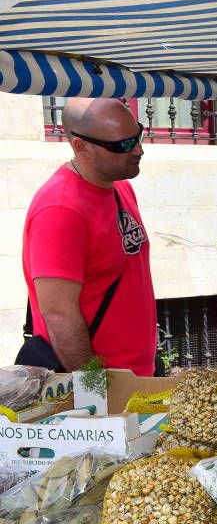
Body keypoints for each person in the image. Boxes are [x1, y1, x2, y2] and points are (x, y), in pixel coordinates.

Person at [19, 97, 157, 375]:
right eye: (123, 145)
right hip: (104, 383)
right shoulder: (60, 210)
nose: (139, 150)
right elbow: (59, 315)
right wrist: (95, 389)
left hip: (135, 375)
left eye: (138, 135)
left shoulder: (118, 187)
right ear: (81, 147)